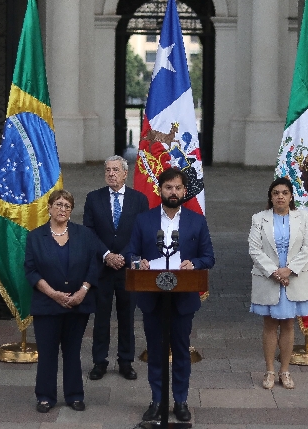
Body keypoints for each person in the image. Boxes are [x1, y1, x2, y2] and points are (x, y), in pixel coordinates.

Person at [125, 168, 215, 423]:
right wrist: (137, 262)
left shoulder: (196, 221)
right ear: (160, 190)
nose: (173, 192)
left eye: (177, 188)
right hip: (153, 299)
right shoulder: (145, 220)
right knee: (155, 350)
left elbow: (209, 257)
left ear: (184, 191)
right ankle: (156, 400)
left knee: (181, 351)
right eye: (168, 188)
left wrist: (194, 264)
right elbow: (131, 253)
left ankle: (181, 400)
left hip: (182, 298)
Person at [24, 190, 104, 413]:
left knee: (72, 351)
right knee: (47, 352)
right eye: (58, 204)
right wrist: (53, 294)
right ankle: (45, 397)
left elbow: (93, 266)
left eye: (67, 206)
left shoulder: (84, 235)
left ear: (71, 210)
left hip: (78, 304)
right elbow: (31, 271)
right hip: (47, 304)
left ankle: (75, 395)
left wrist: (83, 291)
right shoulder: (35, 236)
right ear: (49, 208)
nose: (62, 209)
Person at [83, 156, 149, 381]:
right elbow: (88, 232)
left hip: (128, 268)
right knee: (101, 317)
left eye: (115, 170)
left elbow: (142, 232)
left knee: (126, 317)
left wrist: (125, 256)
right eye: (108, 170)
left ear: (125, 173)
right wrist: (106, 255)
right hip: (102, 268)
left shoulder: (139, 200)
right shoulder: (93, 198)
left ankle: (125, 361)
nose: (111, 174)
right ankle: (99, 362)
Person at [248, 177, 308, 390]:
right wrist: (275, 272)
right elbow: (254, 249)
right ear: (270, 196)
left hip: (294, 279)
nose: (280, 196)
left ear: (291, 196)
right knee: (269, 325)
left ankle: (284, 371)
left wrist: (290, 269)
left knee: (288, 324)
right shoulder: (259, 219)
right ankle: (269, 371)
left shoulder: (303, 218)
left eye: (284, 193)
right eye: (276, 192)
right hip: (269, 279)